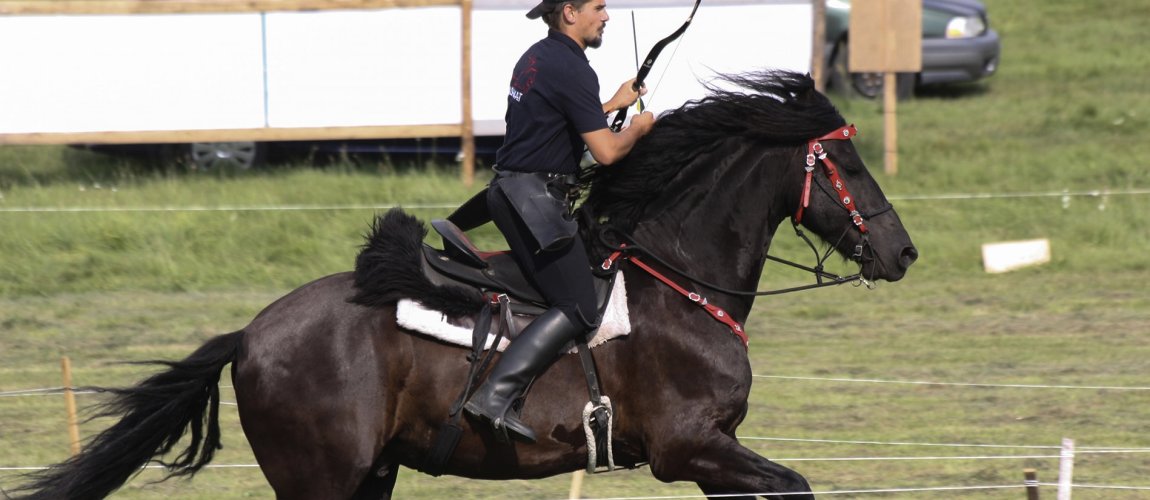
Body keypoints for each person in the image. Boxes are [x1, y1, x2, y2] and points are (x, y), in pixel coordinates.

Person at [463, 0, 656, 444]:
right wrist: (640, 128)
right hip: (532, 201)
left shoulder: (537, 57)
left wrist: (612, 103)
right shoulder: (573, 68)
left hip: (510, 192)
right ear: (569, 12)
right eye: (598, 7)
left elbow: (554, 122)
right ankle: (494, 396)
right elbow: (606, 152)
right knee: (578, 306)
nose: (606, 16)